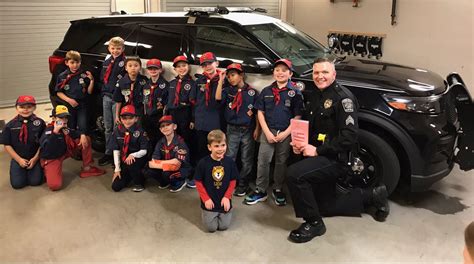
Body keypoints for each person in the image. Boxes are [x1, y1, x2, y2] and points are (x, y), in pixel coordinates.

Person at [286, 57, 389, 243]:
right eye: (316, 72)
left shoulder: (343, 99)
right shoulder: (317, 94)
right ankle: (373, 195)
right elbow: (312, 126)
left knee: (294, 175)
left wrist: (317, 151)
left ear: (334, 74)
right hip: (320, 152)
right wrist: (300, 143)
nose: (320, 76)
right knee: (323, 205)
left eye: (325, 72)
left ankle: (314, 224)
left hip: (337, 158)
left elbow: (348, 138)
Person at [244, 59, 303, 206]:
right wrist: (266, 132)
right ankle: (261, 189)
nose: (280, 73)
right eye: (277, 70)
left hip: (286, 132)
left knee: (281, 161)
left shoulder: (295, 93)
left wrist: (285, 133)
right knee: (263, 160)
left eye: (284, 70)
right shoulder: (267, 91)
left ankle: (277, 188)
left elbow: (297, 116)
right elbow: (260, 112)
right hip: (268, 130)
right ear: (273, 73)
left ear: (290, 74)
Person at [40, 105, 105, 191]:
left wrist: (82, 134)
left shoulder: (65, 128)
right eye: (61, 117)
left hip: (64, 151)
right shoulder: (48, 130)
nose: (64, 120)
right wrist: (55, 132)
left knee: (86, 139)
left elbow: (74, 133)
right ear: (54, 118)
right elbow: (46, 148)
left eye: (66, 118)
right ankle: (45, 171)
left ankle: (87, 168)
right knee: (55, 185)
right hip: (53, 158)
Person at [218, 63, 260, 197]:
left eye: (233, 75)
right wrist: (220, 80)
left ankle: (243, 184)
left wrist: (257, 129)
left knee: (246, 159)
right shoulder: (228, 90)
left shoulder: (252, 92)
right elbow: (218, 98)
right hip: (232, 129)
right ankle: (230, 182)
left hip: (248, 129)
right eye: (229, 76)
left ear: (241, 75)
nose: (231, 78)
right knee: (230, 156)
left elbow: (258, 112)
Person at [191, 52, 226, 188]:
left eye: (210, 63)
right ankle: (200, 176)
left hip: (216, 122)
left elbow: (220, 100)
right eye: (204, 64)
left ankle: (215, 177)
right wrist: (194, 119)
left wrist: (221, 80)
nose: (207, 66)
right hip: (201, 121)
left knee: (216, 151)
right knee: (201, 150)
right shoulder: (199, 81)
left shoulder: (224, 80)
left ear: (216, 63)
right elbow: (195, 102)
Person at [194, 129, 239, 232]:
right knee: (211, 228)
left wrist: (227, 197)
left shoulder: (230, 162)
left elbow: (233, 181)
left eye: (223, 145)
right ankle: (207, 212)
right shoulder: (203, 163)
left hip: (224, 198)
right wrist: (206, 199)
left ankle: (223, 212)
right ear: (209, 147)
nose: (220, 149)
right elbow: (198, 182)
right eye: (216, 146)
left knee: (224, 227)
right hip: (210, 199)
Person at [3, 96, 45, 189]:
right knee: (17, 184)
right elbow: (7, 145)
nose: (25, 110)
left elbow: (43, 143)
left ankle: (36, 169)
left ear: (34, 108)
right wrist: (19, 160)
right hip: (18, 157)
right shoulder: (10, 125)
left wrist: (35, 159)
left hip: (34, 157)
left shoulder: (40, 123)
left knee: (35, 182)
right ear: (16, 108)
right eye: (22, 107)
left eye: (29, 107)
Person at [99, 36, 126, 166]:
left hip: (117, 98)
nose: (115, 51)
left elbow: (123, 82)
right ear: (109, 48)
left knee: (117, 127)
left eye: (118, 48)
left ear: (123, 49)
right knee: (108, 126)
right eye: (113, 48)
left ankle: (117, 154)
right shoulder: (107, 61)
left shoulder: (124, 63)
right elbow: (103, 78)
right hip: (107, 96)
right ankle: (108, 152)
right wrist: (104, 92)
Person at [108, 105, 149, 192]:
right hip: (124, 159)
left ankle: (140, 182)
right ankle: (131, 175)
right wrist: (117, 169)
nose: (127, 121)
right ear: (120, 119)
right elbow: (116, 150)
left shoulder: (140, 131)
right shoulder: (117, 131)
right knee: (116, 186)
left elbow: (144, 150)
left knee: (131, 164)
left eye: (130, 118)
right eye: (124, 118)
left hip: (138, 158)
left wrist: (132, 155)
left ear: (136, 119)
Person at [54, 50, 94, 138]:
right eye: (72, 62)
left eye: (77, 62)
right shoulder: (62, 76)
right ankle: (71, 147)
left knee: (83, 127)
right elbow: (59, 92)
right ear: (66, 63)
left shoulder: (84, 74)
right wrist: (69, 100)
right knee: (70, 127)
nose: (75, 65)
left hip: (82, 104)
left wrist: (91, 80)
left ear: (80, 62)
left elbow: (89, 92)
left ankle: (82, 147)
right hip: (69, 105)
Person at [146, 115, 191, 192]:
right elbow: (153, 161)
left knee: (166, 173)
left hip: (182, 168)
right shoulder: (160, 142)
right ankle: (166, 181)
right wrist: (165, 164)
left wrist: (160, 163)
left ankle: (179, 182)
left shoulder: (180, 142)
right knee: (147, 170)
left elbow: (176, 162)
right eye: (162, 126)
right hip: (167, 167)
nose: (165, 127)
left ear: (174, 127)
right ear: (160, 130)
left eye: (168, 124)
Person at [165, 55, 196, 151]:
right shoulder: (171, 83)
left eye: (184, 65)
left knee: (185, 137)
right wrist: (166, 114)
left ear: (188, 67)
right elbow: (168, 100)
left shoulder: (192, 83)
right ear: (175, 69)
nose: (181, 68)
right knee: (173, 136)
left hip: (185, 114)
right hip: (172, 114)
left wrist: (192, 119)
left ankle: (185, 158)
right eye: (178, 66)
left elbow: (193, 103)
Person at [142, 58, 168, 150]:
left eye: (155, 68)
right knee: (147, 137)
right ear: (147, 70)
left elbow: (166, 103)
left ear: (160, 70)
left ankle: (156, 155)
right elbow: (144, 100)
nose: (153, 70)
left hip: (158, 116)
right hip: (147, 115)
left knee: (158, 138)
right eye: (150, 68)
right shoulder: (145, 84)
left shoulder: (165, 85)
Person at [113, 56, 148, 123]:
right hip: (125, 112)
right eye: (130, 66)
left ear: (140, 67)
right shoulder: (121, 82)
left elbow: (146, 99)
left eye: (136, 65)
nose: (133, 68)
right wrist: (117, 115)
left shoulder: (145, 81)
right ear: (126, 68)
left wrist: (146, 114)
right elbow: (118, 101)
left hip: (139, 112)